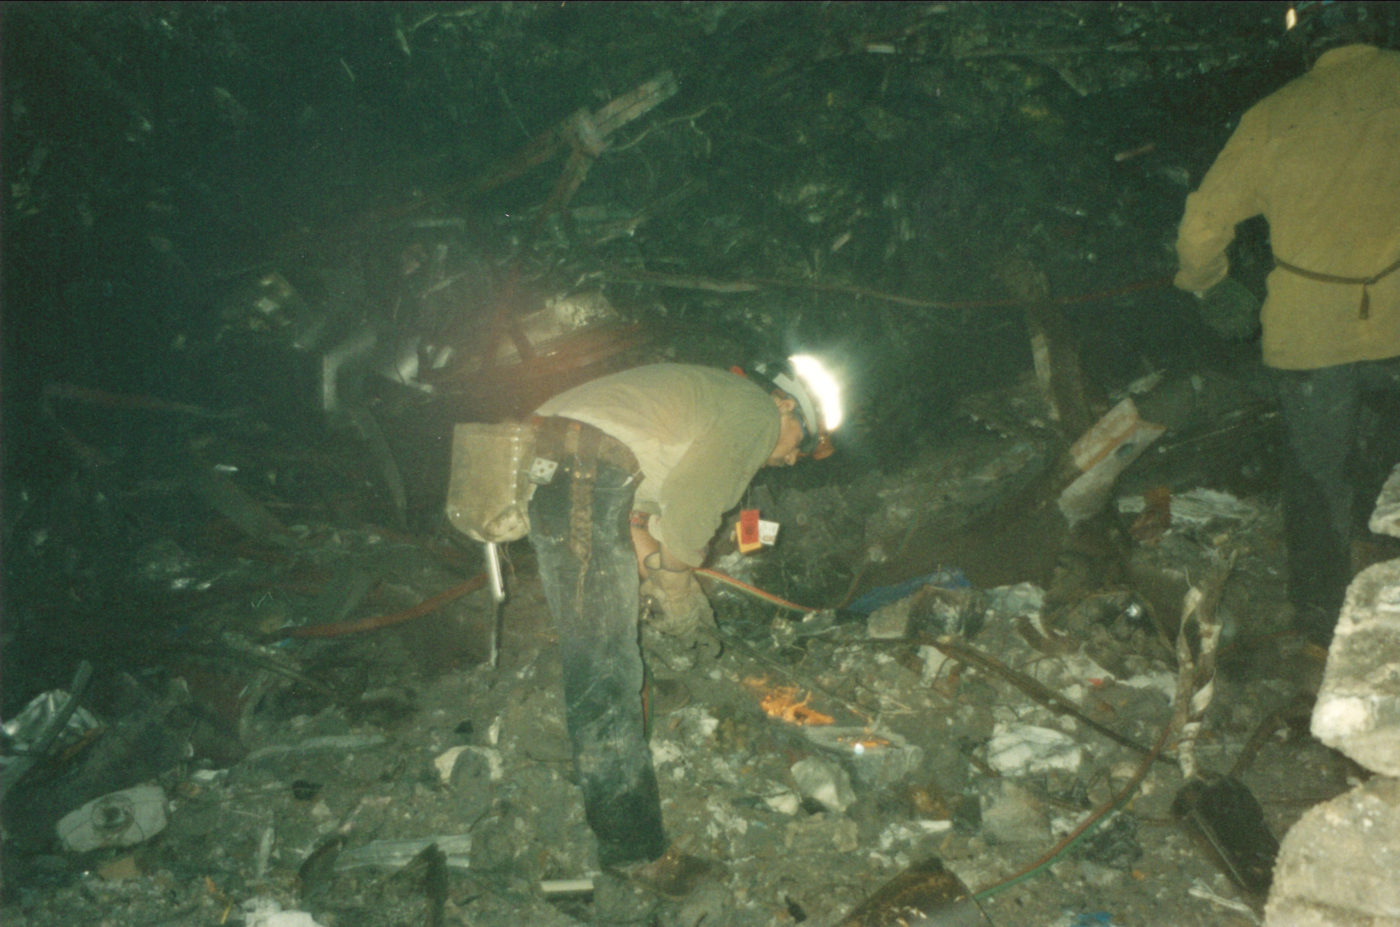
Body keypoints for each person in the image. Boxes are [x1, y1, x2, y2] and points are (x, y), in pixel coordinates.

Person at [525, 359, 840, 876]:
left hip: (554, 456)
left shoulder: (691, 415)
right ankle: (635, 852)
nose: (788, 461)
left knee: (604, 650)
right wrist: (680, 585)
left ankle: (615, 750)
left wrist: (665, 574)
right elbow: (694, 511)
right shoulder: (755, 411)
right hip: (579, 460)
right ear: (787, 406)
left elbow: (633, 521)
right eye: (798, 446)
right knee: (604, 665)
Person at [1174, 4, 1400, 645]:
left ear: (1307, 38)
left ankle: (1325, 621)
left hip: (1311, 335)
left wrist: (1208, 283)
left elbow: (1202, 225)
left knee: (1316, 475)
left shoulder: (1274, 115)